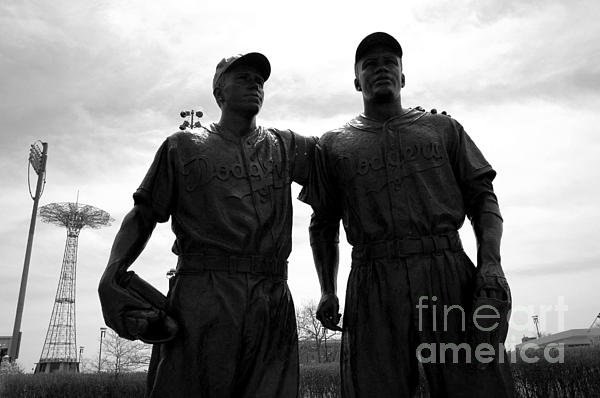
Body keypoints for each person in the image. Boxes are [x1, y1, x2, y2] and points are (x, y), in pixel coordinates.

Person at [299, 32, 515, 397]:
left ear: (403, 77)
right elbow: (323, 225)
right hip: (373, 279)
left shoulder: (442, 128)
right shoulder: (333, 144)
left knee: (476, 383)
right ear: (356, 81)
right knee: (372, 388)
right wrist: (327, 289)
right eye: (370, 64)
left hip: (446, 272)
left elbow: (483, 198)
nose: (381, 69)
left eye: (390, 63)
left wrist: (490, 263)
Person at [98, 52, 316, 398]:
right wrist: (113, 270)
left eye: (259, 79)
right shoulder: (182, 146)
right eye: (242, 77)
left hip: (271, 294)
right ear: (219, 93)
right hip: (204, 294)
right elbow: (143, 214)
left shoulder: (285, 145)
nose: (254, 83)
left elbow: (345, 160)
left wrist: (424, 138)